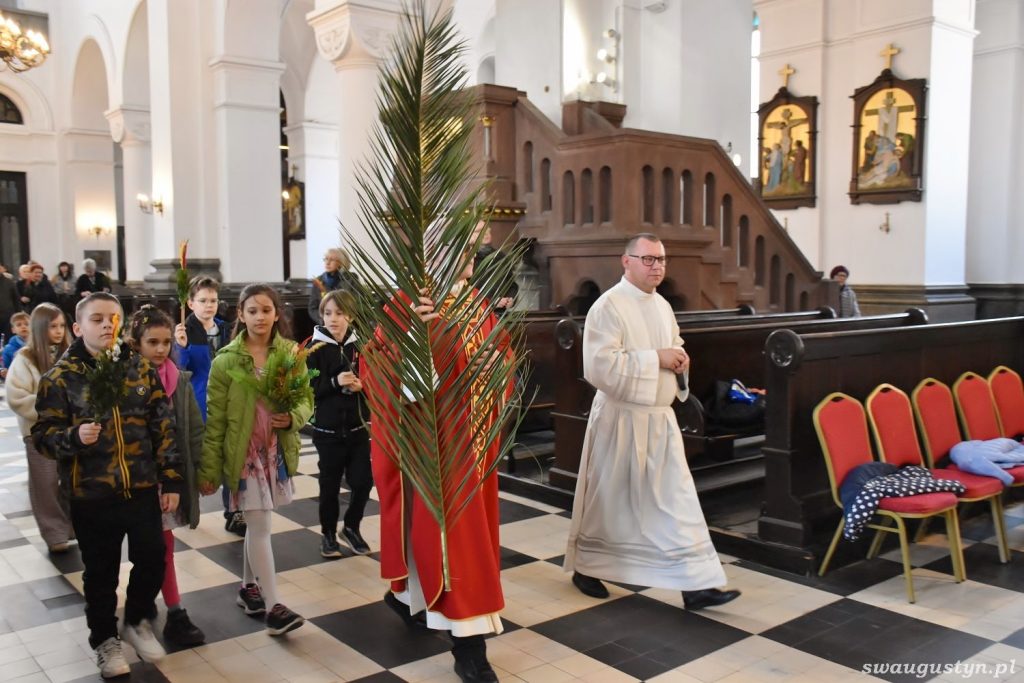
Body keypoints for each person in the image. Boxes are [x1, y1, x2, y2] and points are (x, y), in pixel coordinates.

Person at [565, 233, 741, 613]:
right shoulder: (608, 306)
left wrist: (679, 359)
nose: (656, 266)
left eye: (660, 259)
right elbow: (598, 366)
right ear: (626, 261)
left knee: (677, 500)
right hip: (621, 419)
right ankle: (586, 567)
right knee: (610, 500)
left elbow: (674, 345)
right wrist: (656, 359)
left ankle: (696, 585)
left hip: (659, 420)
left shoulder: (662, 305)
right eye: (648, 259)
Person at [366, 250, 511, 683]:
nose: (469, 255)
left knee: (462, 537)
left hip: (474, 443)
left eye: (470, 246)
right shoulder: (410, 301)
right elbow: (377, 366)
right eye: (459, 246)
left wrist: (495, 368)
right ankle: (470, 647)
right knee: (454, 540)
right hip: (435, 446)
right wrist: (416, 341)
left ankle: (407, 596)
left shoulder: (475, 301)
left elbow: (502, 353)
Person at [32, 292, 182, 678]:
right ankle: (105, 641)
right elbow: (43, 437)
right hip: (92, 494)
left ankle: (135, 619)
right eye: (96, 319)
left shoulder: (139, 368)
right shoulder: (60, 378)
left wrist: (170, 477)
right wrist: (74, 436)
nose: (106, 326)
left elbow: (162, 425)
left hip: (141, 486)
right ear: (78, 327)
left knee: (153, 558)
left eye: (113, 319)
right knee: (101, 573)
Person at [198, 283, 312, 636]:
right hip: (243, 456)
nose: (259, 317)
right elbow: (215, 420)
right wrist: (209, 469)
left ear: (277, 314)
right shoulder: (226, 361)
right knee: (260, 526)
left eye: (266, 310)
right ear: (241, 315)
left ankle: (248, 588)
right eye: (252, 311)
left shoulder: (290, 354)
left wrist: (293, 417)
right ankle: (274, 607)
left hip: (274, 453)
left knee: (258, 522)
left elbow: (306, 399)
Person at [128, 305, 207, 647]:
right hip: (135, 480)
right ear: (136, 344)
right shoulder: (126, 380)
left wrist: (202, 470)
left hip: (168, 478)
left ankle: (174, 611)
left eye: (165, 343)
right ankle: (143, 604)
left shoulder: (179, 380)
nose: (161, 349)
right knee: (145, 550)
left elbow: (194, 430)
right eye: (152, 342)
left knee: (164, 547)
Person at [173, 277, 243, 536]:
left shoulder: (226, 329)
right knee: (197, 460)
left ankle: (234, 512)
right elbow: (179, 372)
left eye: (213, 300)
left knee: (231, 458)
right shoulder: (184, 331)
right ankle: (189, 508)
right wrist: (180, 348)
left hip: (228, 402)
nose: (209, 305)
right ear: (191, 303)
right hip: (199, 403)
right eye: (202, 300)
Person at [305, 289, 372, 558]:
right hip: (327, 431)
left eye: (339, 313)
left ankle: (351, 527)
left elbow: (374, 379)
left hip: (357, 428)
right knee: (329, 487)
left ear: (351, 316)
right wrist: (335, 382)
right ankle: (329, 534)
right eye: (328, 313)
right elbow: (309, 388)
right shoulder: (314, 348)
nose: (333, 318)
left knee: (363, 482)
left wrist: (362, 386)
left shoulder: (361, 346)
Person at [6, 303, 73, 553]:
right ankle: (54, 533)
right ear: (39, 327)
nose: (58, 331)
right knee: (46, 482)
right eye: (53, 326)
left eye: (62, 326)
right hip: (39, 432)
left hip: (69, 432)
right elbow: (17, 396)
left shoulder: (70, 354)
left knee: (70, 480)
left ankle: (71, 525)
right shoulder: (25, 358)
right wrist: (52, 408)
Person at [472, 222, 519, 314]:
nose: (486, 233)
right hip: (477, 314)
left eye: (487, 230)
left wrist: (510, 299)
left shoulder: (500, 256)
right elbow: (465, 288)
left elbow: (511, 284)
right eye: (480, 231)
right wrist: (491, 301)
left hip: (500, 314)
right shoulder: (466, 259)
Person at [308, 248, 359, 327]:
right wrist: (324, 320)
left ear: (341, 262)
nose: (327, 263)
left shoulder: (351, 279)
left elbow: (356, 304)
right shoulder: (318, 281)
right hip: (325, 325)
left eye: (332, 260)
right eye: (326, 259)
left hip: (347, 325)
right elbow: (312, 308)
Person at [2, 311, 30, 377]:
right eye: (19, 325)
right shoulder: (8, 349)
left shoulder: (38, 345)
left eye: (27, 324)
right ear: (13, 330)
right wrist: (5, 372)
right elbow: (5, 367)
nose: (23, 327)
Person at [0, 263, 19, 338]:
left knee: (8, 337)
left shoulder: (9, 282)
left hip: (8, 317)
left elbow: (16, 299)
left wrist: (18, 314)